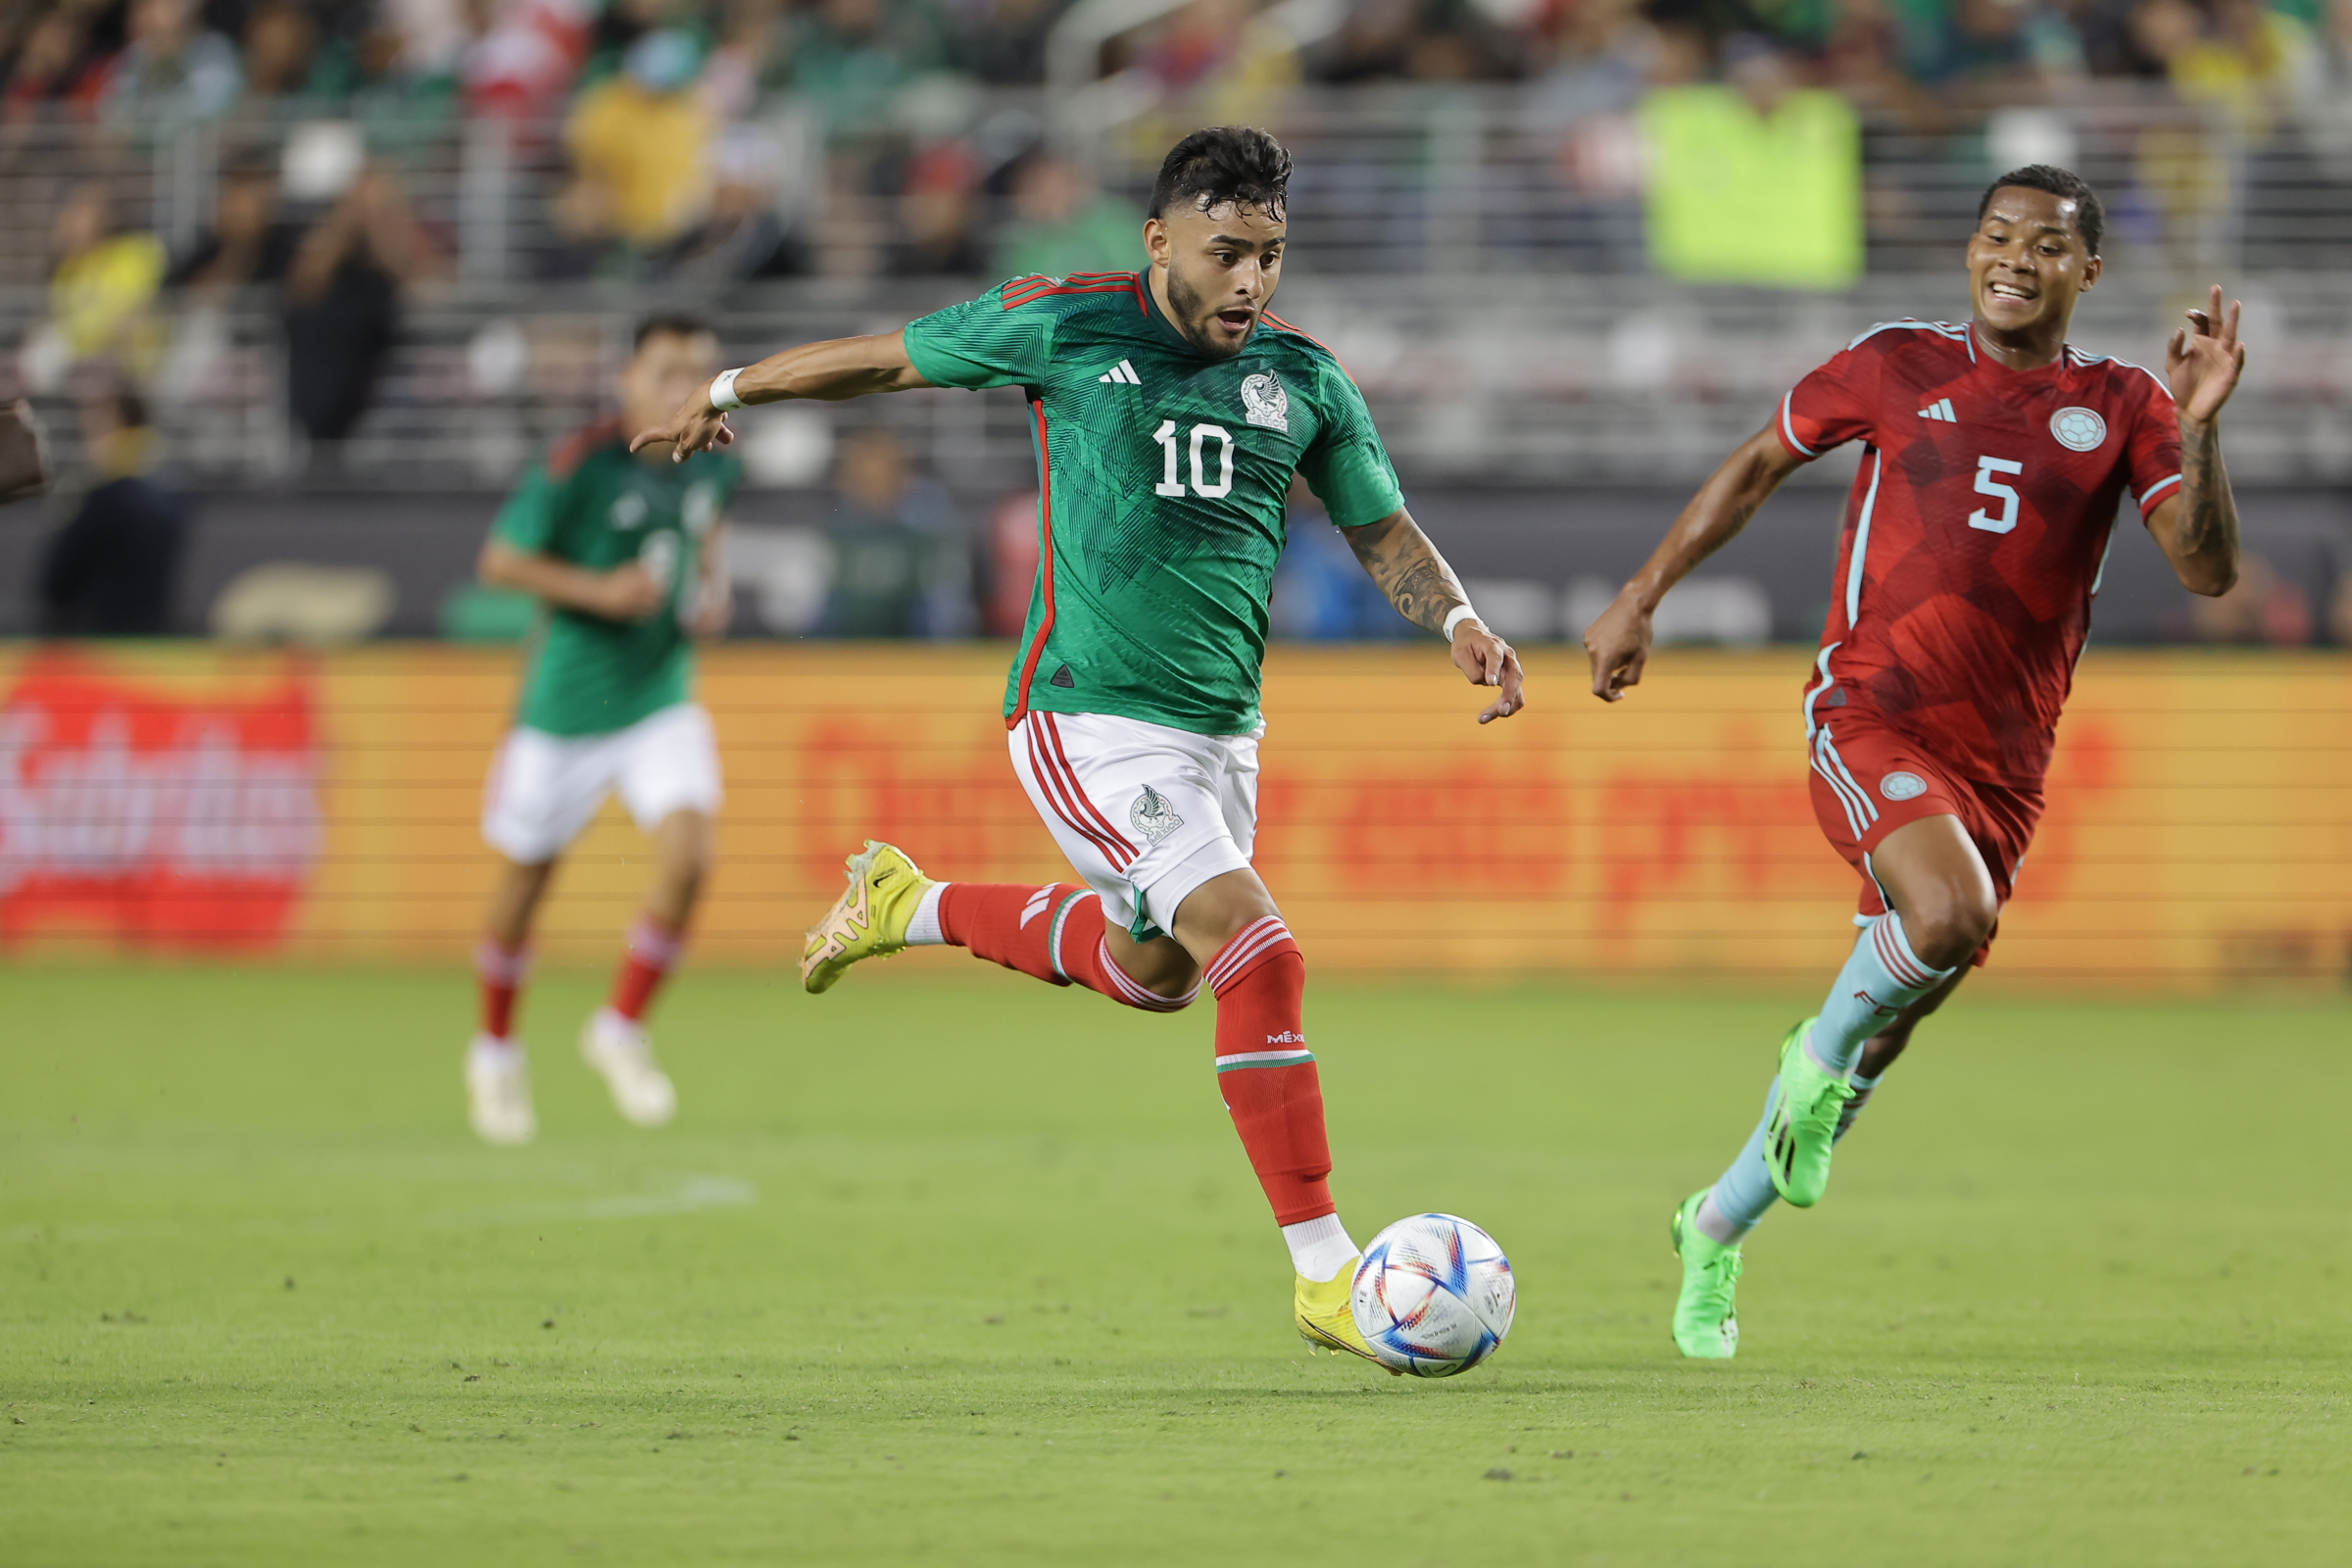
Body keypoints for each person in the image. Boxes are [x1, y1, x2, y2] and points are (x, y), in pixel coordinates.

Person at [631, 126, 1526, 1370]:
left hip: (1223, 737)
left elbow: (1382, 530)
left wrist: (1463, 619)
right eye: (1227, 254)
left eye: (1269, 255)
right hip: (1086, 717)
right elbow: (891, 364)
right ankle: (1327, 1273)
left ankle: (911, 902)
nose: (1251, 282)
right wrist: (730, 391)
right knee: (1255, 948)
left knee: (1157, 971)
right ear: (1160, 242)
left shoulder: (1304, 380)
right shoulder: (1065, 325)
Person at [1582, 165, 2245, 1359]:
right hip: (1873, 711)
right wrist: (1641, 595)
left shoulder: (2130, 405)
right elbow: (1756, 464)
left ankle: (1713, 1228)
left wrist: (2200, 434)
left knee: (1896, 1012)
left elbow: (2205, 569)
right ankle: (1811, 1061)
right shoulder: (1896, 363)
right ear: (1970, 247)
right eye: (1996, 234)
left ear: (2086, 271)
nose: (2012, 258)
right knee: (1942, 918)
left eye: (2045, 245)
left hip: (2005, 765)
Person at [465, 314, 739, 1146]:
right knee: (525, 881)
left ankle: (618, 1028)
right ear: (626, 380)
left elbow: (705, 536)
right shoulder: (577, 466)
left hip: (658, 696)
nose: (677, 384)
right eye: (663, 370)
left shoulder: (712, 462)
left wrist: (710, 589)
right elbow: (501, 562)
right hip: (564, 709)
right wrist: (600, 591)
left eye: (693, 370)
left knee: (691, 856)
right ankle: (496, 1051)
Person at [35, 387, 187, 636]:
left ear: (118, 422)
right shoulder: (172, 490)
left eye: (95, 424)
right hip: (150, 638)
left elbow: (56, 582)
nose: (87, 433)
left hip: (97, 643)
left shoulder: (107, 496)